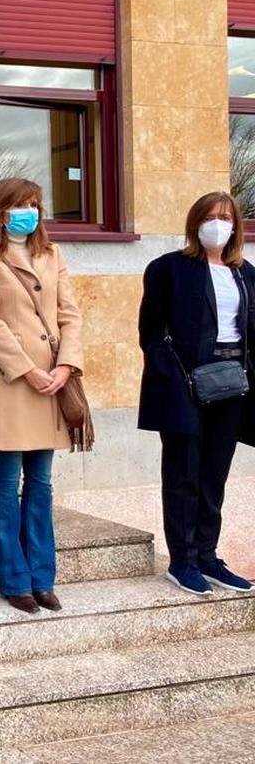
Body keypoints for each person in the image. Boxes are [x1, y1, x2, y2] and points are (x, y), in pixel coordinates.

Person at [0, 178, 84, 614]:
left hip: (53, 378)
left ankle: (42, 577)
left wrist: (65, 365)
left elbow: (70, 314)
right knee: (7, 476)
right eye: (20, 204)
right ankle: (14, 579)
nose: (29, 211)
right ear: (0, 209)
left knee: (43, 482)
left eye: (35, 203)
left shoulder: (51, 253)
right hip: (10, 380)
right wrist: (28, 371)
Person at [138, 191, 255, 596]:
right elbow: (150, 332)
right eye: (210, 216)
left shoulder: (245, 273)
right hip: (185, 382)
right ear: (195, 223)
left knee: (214, 474)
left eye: (226, 217)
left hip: (232, 383)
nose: (218, 223)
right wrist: (169, 375)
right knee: (183, 472)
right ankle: (183, 560)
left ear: (236, 226)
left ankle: (208, 555)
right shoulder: (168, 269)